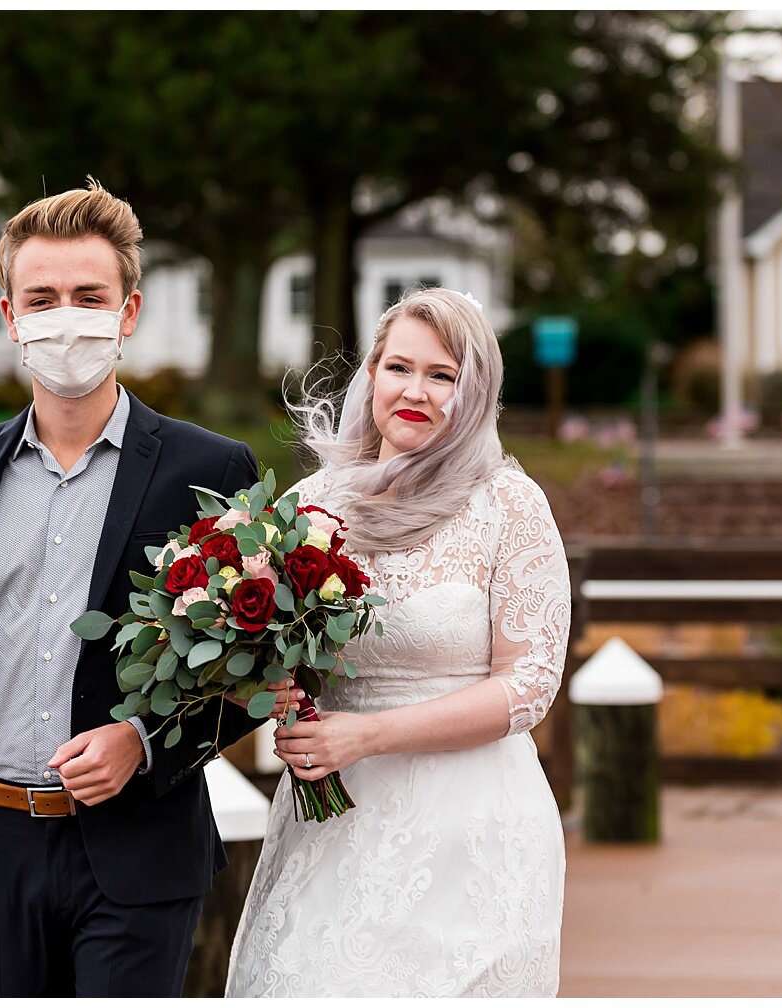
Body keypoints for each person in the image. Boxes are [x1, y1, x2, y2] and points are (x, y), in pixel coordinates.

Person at [0, 178, 293, 997]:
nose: (67, 316)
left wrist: (139, 739)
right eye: (44, 297)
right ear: (12, 317)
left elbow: (257, 671)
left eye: (89, 296)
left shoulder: (210, 472)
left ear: (128, 312)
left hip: (138, 849)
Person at [226, 287, 571, 997]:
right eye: (399, 368)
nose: (416, 391)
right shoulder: (310, 507)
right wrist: (263, 685)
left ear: (475, 393)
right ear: (371, 375)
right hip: (333, 820)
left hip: (471, 830)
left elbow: (530, 683)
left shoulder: (509, 506)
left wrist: (369, 736)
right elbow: (266, 659)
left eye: (443, 376)